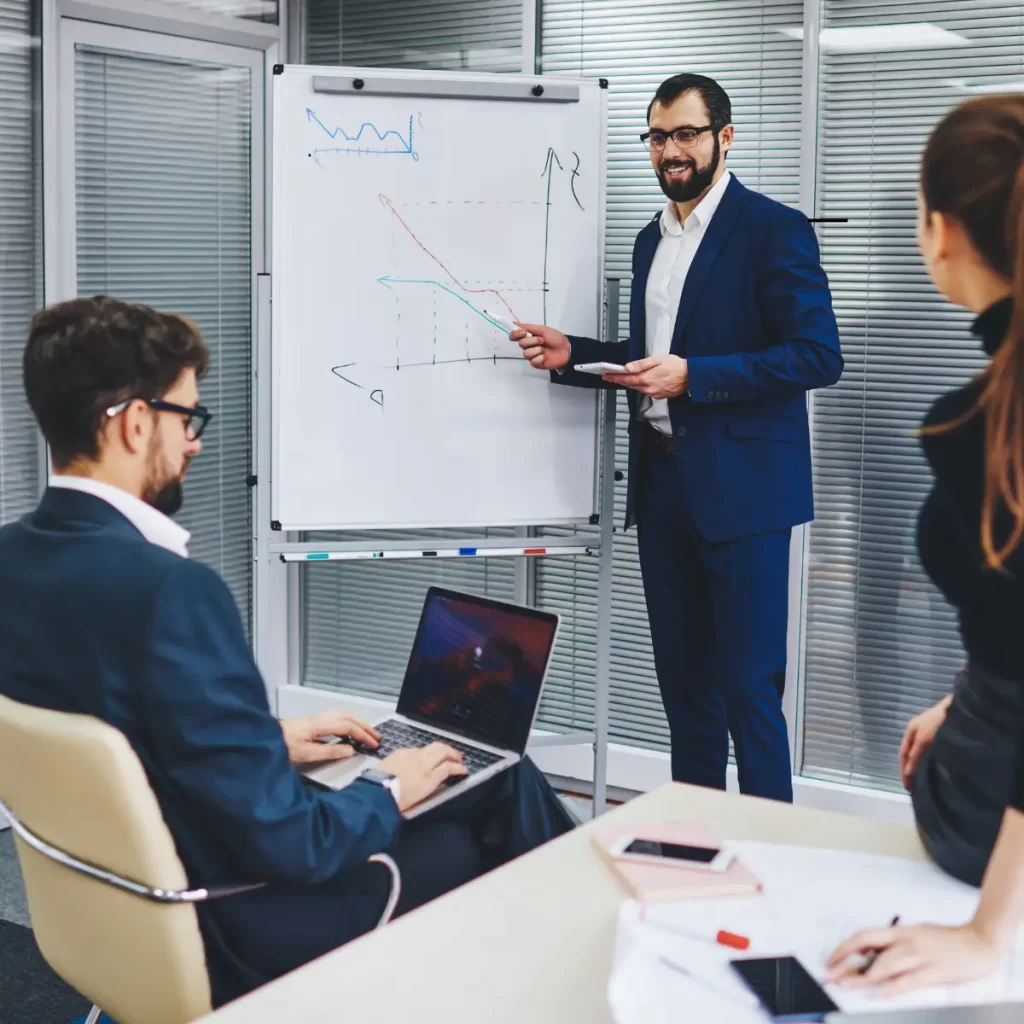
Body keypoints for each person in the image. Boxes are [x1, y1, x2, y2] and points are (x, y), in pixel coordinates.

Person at [0, 296, 574, 1007]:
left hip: (110, 906)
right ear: (136, 422)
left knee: (469, 780)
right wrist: (389, 785)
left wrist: (264, 742)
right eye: (188, 418)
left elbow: (107, 738)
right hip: (238, 924)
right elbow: (295, 846)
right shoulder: (171, 592)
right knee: (489, 797)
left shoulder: (13, 562)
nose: (195, 443)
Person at [511, 73, 842, 802]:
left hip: (747, 499)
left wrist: (696, 377)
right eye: (659, 136)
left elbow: (818, 355)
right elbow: (652, 353)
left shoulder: (771, 228)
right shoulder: (649, 239)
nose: (671, 150)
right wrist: (577, 354)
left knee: (749, 693)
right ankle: (693, 849)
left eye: (686, 134)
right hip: (663, 492)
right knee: (685, 692)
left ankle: (769, 856)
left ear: (725, 137)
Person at [828, 93, 1024, 992]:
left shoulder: (981, 432)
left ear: (941, 232)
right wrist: (974, 692)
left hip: (991, 822)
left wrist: (990, 931)